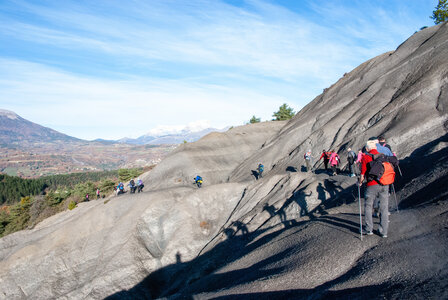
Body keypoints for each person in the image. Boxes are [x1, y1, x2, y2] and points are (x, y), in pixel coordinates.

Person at [359, 140, 390, 238]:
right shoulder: (383, 156)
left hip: (371, 185)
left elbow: (362, 174)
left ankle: (369, 229)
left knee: (368, 206)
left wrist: (360, 182)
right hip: (384, 184)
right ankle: (383, 231)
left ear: (368, 149)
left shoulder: (366, 157)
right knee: (384, 208)